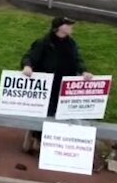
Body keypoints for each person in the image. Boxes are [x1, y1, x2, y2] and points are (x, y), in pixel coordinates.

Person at [20, 16, 94, 150]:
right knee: (46, 112)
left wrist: (84, 71)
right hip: (48, 86)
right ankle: (37, 139)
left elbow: (78, 60)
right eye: (68, 25)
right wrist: (27, 66)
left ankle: (52, 142)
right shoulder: (44, 42)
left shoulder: (71, 44)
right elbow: (30, 57)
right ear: (60, 27)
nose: (72, 27)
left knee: (60, 113)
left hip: (64, 86)